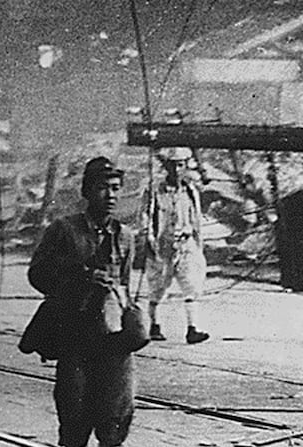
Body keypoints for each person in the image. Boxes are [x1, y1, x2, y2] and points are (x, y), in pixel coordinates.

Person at [27, 157, 139, 447]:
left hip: (114, 343)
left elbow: (125, 284)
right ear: (87, 192)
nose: (111, 195)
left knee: (115, 423)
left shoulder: (125, 237)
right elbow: (38, 275)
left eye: (116, 188)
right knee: (75, 423)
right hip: (76, 339)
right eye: (103, 188)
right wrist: (81, 277)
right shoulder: (64, 230)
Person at [139, 147, 210, 344]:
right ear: (166, 167)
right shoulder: (154, 190)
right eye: (173, 165)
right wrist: (149, 238)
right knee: (158, 287)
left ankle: (192, 328)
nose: (177, 170)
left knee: (191, 285)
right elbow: (145, 216)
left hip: (186, 245)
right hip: (162, 246)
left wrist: (198, 244)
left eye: (181, 165)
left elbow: (196, 219)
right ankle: (154, 325)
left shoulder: (190, 191)